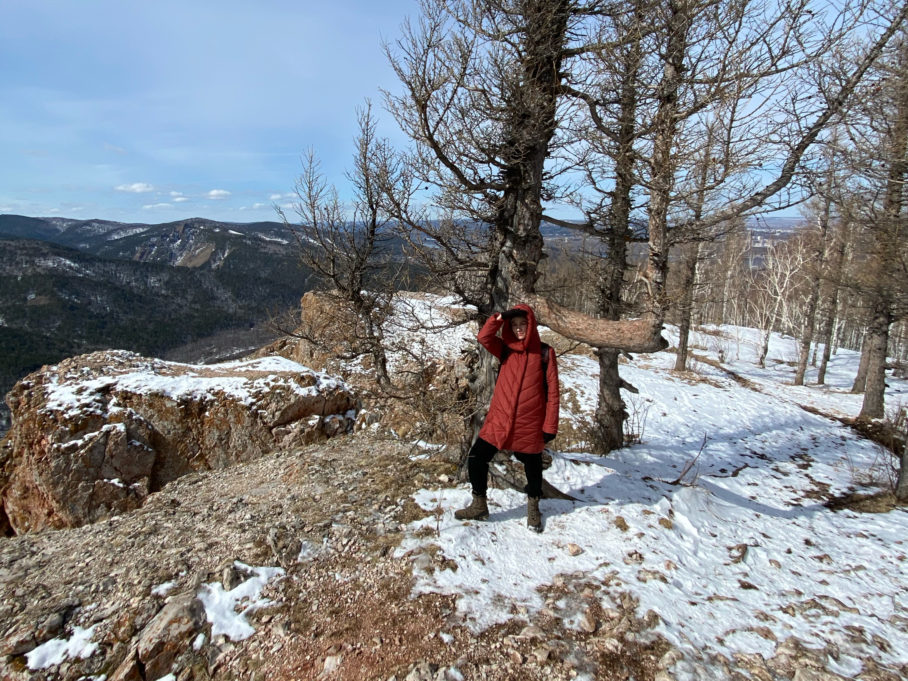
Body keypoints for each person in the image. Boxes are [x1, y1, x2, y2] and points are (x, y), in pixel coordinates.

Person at [455, 303, 559, 532]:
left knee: (533, 467)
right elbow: (484, 337)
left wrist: (550, 426)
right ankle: (479, 505)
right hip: (500, 421)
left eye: (523, 324)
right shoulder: (506, 349)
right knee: (476, 457)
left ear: (531, 325)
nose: (519, 328)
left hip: (529, 422)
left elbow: (553, 392)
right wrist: (500, 317)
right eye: (515, 325)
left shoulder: (545, 353)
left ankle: (533, 508)